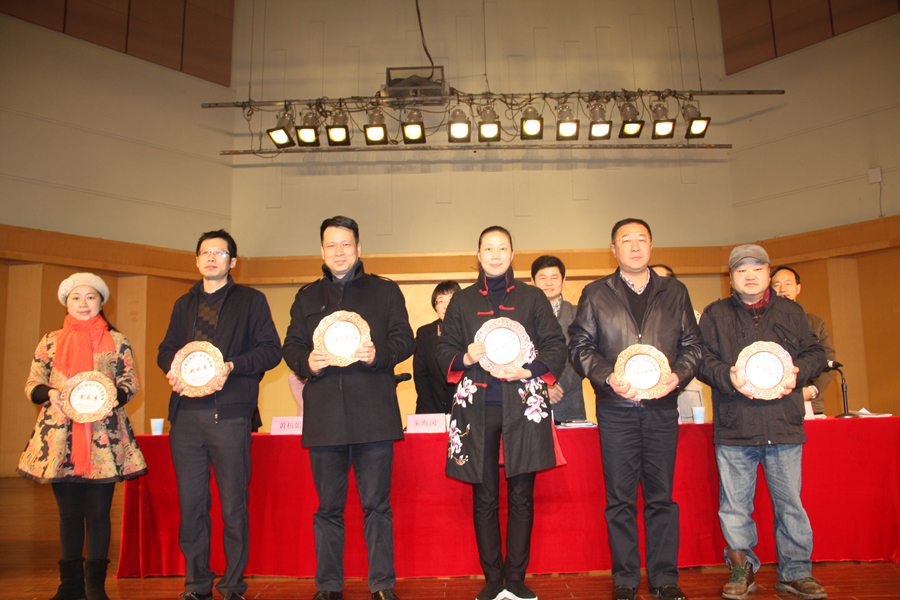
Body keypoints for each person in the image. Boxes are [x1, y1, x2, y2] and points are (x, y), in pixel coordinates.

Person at [282, 216, 415, 600]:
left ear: (358, 248)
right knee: (327, 508)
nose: (338, 252)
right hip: (324, 419)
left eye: (346, 244)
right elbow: (290, 346)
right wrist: (306, 362)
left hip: (374, 415)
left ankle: (382, 585)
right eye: (331, 245)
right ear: (321, 251)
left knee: (377, 506)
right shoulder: (307, 296)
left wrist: (378, 354)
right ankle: (328, 586)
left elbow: (405, 340)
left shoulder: (385, 291)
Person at [568, 219, 702, 600]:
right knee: (620, 499)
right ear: (613, 250)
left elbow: (694, 345)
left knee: (662, 497)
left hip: (662, 409)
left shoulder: (675, 291)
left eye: (641, 239)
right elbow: (579, 346)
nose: (635, 245)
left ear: (651, 246)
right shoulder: (596, 293)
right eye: (625, 240)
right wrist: (607, 376)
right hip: (616, 409)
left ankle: (665, 578)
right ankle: (625, 579)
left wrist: (678, 376)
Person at [437, 226, 567, 600]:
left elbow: (555, 345)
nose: (495, 255)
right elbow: (443, 350)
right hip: (476, 409)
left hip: (524, 405)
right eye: (488, 249)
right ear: (478, 255)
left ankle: (516, 578)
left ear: (512, 254)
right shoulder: (462, 301)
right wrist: (465, 356)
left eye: (502, 248)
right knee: (485, 496)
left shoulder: (532, 297)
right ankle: (493, 579)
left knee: (522, 495)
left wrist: (528, 370)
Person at [158, 230, 282, 600]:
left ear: (233, 261)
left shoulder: (251, 300)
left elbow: (271, 350)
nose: (211, 258)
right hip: (185, 416)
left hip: (229, 415)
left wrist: (231, 365)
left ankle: (232, 586)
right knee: (191, 506)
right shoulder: (183, 303)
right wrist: (173, 368)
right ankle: (196, 585)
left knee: (233, 506)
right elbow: (166, 349)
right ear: (196, 260)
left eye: (220, 252)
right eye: (205, 252)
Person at [698, 244, 826, 600]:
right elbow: (702, 360)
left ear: (769, 273)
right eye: (741, 270)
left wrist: (798, 373)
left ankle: (796, 573)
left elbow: (816, 353)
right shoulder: (715, 314)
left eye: (757, 268)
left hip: (783, 424)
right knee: (734, 506)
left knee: (791, 505)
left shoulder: (792, 311)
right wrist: (728, 376)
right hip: (735, 426)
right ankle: (743, 570)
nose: (750, 275)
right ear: (731, 278)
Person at [18, 273, 147, 600]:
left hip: (103, 438)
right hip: (60, 438)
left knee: (99, 514)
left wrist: (113, 396)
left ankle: (95, 587)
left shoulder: (116, 340)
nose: (83, 303)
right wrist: (50, 392)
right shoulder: (50, 341)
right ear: (66, 303)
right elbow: (32, 383)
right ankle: (70, 586)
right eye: (76, 297)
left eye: (90, 297)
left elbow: (130, 382)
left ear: (101, 302)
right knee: (69, 514)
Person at [770, 266, 837, 414]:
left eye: (788, 283)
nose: (782, 289)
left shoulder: (815, 323)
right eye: (776, 285)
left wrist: (813, 390)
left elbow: (828, 361)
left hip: (810, 402)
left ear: (798, 288)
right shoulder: (761, 324)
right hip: (772, 404)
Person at [530, 255, 586, 423]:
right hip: (531, 403)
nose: (549, 283)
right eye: (542, 278)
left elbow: (583, 357)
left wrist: (556, 385)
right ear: (532, 281)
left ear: (563, 280)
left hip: (567, 401)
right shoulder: (521, 316)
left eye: (554, 277)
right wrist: (542, 387)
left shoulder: (578, 314)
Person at [413, 280, 461, 414]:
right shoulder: (424, 333)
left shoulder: (471, 331)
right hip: (430, 407)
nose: (446, 306)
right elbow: (420, 375)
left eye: (451, 300)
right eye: (440, 301)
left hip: (463, 408)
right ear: (435, 306)